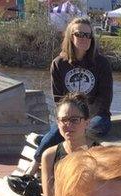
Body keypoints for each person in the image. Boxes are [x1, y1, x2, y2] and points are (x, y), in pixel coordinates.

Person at [26, 17, 113, 178]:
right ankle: (34, 167)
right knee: (63, 128)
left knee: (91, 128)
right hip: (69, 115)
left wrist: (83, 120)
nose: (84, 39)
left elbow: (105, 100)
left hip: (96, 117)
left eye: (88, 35)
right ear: (70, 36)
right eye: (80, 34)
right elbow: (59, 100)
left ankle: (47, 143)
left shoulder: (102, 64)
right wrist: (71, 119)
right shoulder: (59, 64)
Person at [39, 94, 98, 196]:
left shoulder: (99, 154)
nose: (68, 125)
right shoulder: (49, 156)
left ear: (87, 122)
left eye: (75, 120)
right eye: (64, 120)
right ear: (57, 122)